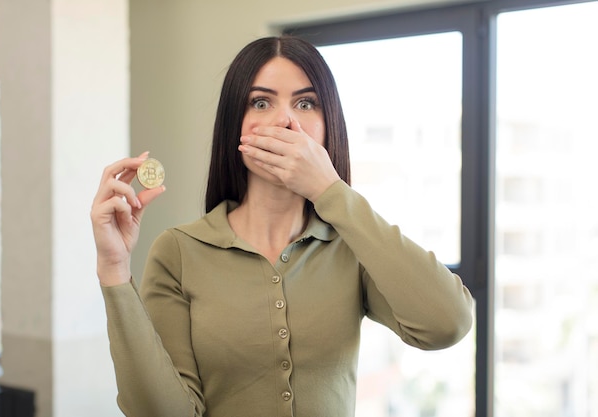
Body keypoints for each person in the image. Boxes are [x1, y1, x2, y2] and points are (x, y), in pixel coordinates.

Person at [91, 35, 473, 417]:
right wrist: (113, 270)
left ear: (328, 126)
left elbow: (446, 324)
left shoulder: (351, 246)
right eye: (261, 102)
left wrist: (329, 189)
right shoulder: (178, 251)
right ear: (235, 126)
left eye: (306, 103)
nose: (286, 120)